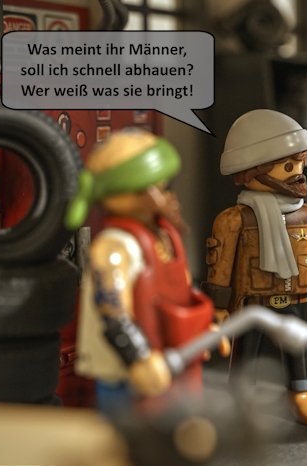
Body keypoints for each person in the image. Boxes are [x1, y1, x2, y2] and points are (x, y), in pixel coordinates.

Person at [202, 109, 307, 425]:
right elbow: (219, 265)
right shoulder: (234, 219)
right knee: (246, 350)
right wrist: (218, 307)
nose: (298, 174)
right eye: (288, 166)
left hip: (297, 297)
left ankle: (301, 393)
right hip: (253, 301)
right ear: (252, 171)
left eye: (301, 164)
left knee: (297, 349)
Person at [65, 129, 215, 413]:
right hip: (128, 372)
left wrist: (202, 329)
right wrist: (138, 358)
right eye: (161, 186)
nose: (169, 197)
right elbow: (113, 311)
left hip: (172, 356)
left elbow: (178, 287)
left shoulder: (163, 235)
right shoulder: (114, 247)